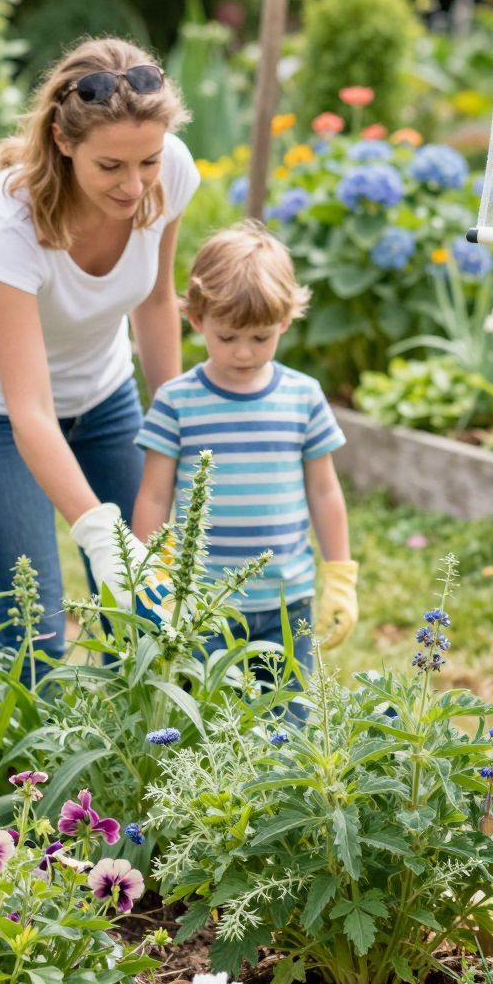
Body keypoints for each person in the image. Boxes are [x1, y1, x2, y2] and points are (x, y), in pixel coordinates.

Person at [0, 38, 200, 658]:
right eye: (110, 167)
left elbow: (157, 302)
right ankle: (23, 759)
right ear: (62, 141)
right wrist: (101, 535)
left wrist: (171, 429)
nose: (134, 186)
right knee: (40, 633)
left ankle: (127, 754)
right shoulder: (10, 216)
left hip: (104, 400)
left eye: (148, 162)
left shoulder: (173, 169)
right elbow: (28, 408)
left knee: (145, 611)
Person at [131, 220, 357, 671]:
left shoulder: (303, 397)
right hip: (200, 602)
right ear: (197, 320)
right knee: (206, 724)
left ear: (285, 321)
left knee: (287, 724)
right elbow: (154, 494)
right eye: (227, 337)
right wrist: (147, 576)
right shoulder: (177, 401)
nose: (243, 353)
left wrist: (339, 574)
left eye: (261, 337)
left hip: (286, 600)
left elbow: (324, 490)